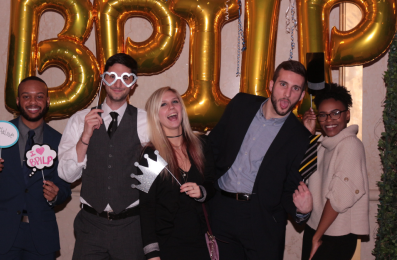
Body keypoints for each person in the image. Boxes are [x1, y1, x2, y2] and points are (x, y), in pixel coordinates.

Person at [207, 60, 313, 259]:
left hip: (262, 221)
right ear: (271, 85)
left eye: (295, 88)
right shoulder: (241, 104)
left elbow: (290, 187)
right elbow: (213, 146)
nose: (287, 94)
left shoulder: (301, 138)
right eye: (283, 84)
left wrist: (302, 212)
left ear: (301, 95)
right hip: (222, 210)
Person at [58, 53, 148, 259]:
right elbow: (66, 175)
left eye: (126, 78)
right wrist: (85, 136)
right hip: (90, 226)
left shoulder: (147, 121)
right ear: (103, 78)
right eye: (112, 76)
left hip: (131, 226)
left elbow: (158, 173)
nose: (118, 83)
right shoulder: (79, 119)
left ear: (133, 84)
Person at [0, 76, 71, 259]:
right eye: (26, 96)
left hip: (41, 235)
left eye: (39, 96)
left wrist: (57, 195)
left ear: (47, 101)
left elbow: (65, 188)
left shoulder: (59, 141)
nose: (33, 102)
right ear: (18, 101)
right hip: (3, 234)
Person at [138, 87, 216, 260]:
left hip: (201, 243)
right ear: (155, 115)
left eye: (175, 102)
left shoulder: (202, 144)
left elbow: (213, 183)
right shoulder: (149, 156)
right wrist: (152, 254)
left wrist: (202, 192)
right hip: (167, 247)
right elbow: (146, 207)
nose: (171, 107)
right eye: (163, 104)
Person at [301, 84, 369, 260]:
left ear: (347, 115)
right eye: (323, 115)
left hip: (335, 235)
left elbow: (339, 198)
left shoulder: (350, 145)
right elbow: (303, 175)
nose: (329, 120)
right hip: (317, 228)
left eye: (335, 113)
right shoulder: (324, 145)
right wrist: (308, 134)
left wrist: (317, 236)